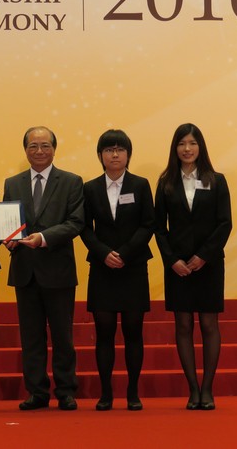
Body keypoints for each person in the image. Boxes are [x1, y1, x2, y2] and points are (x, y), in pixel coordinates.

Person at [3, 126, 84, 411]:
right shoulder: (12, 183)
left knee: (63, 335)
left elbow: (76, 222)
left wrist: (44, 238)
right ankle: (37, 391)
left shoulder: (72, 182)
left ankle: (65, 390)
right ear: (25, 150)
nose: (39, 151)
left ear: (54, 148)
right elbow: (9, 223)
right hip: (25, 271)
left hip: (58, 270)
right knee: (31, 336)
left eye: (45, 145)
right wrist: (8, 240)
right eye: (33, 146)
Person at [154, 123, 232, 411]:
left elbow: (225, 223)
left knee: (209, 324)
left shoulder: (217, 180)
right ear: (175, 148)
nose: (187, 149)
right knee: (183, 325)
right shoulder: (166, 183)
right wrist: (172, 260)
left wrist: (204, 256)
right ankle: (193, 389)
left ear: (201, 147)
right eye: (182, 143)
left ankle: (208, 389)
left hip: (208, 264)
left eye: (192, 143)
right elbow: (158, 228)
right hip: (177, 266)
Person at [80, 129, 155, 411]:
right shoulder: (90, 188)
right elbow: (84, 227)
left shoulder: (140, 184)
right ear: (100, 155)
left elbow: (149, 223)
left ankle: (133, 392)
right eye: (109, 150)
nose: (114, 154)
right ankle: (106, 393)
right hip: (102, 268)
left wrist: (124, 253)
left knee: (134, 331)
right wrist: (103, 253)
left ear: (128, 154)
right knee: (105, 331)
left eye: (120, 149)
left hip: (133, 267)